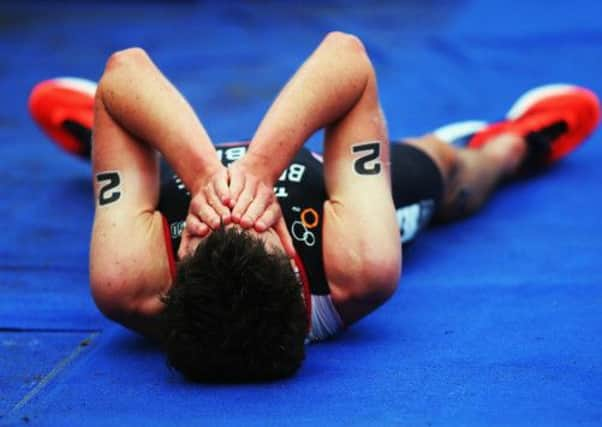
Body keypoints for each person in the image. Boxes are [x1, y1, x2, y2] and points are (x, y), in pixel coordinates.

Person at [28, 32, 600, 382]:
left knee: (124, 149)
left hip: (170, 184)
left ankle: (118, 149)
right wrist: (258, 174)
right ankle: (514, 145)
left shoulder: (130, 283)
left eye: (204, 230)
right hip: (329, 199)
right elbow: (345, 58)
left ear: (173, 275)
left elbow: (124, 70)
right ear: (294, 268)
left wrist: (202, 178)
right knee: (442, 169)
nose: (231, 205)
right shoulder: (354, 270)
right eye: (252, 221)